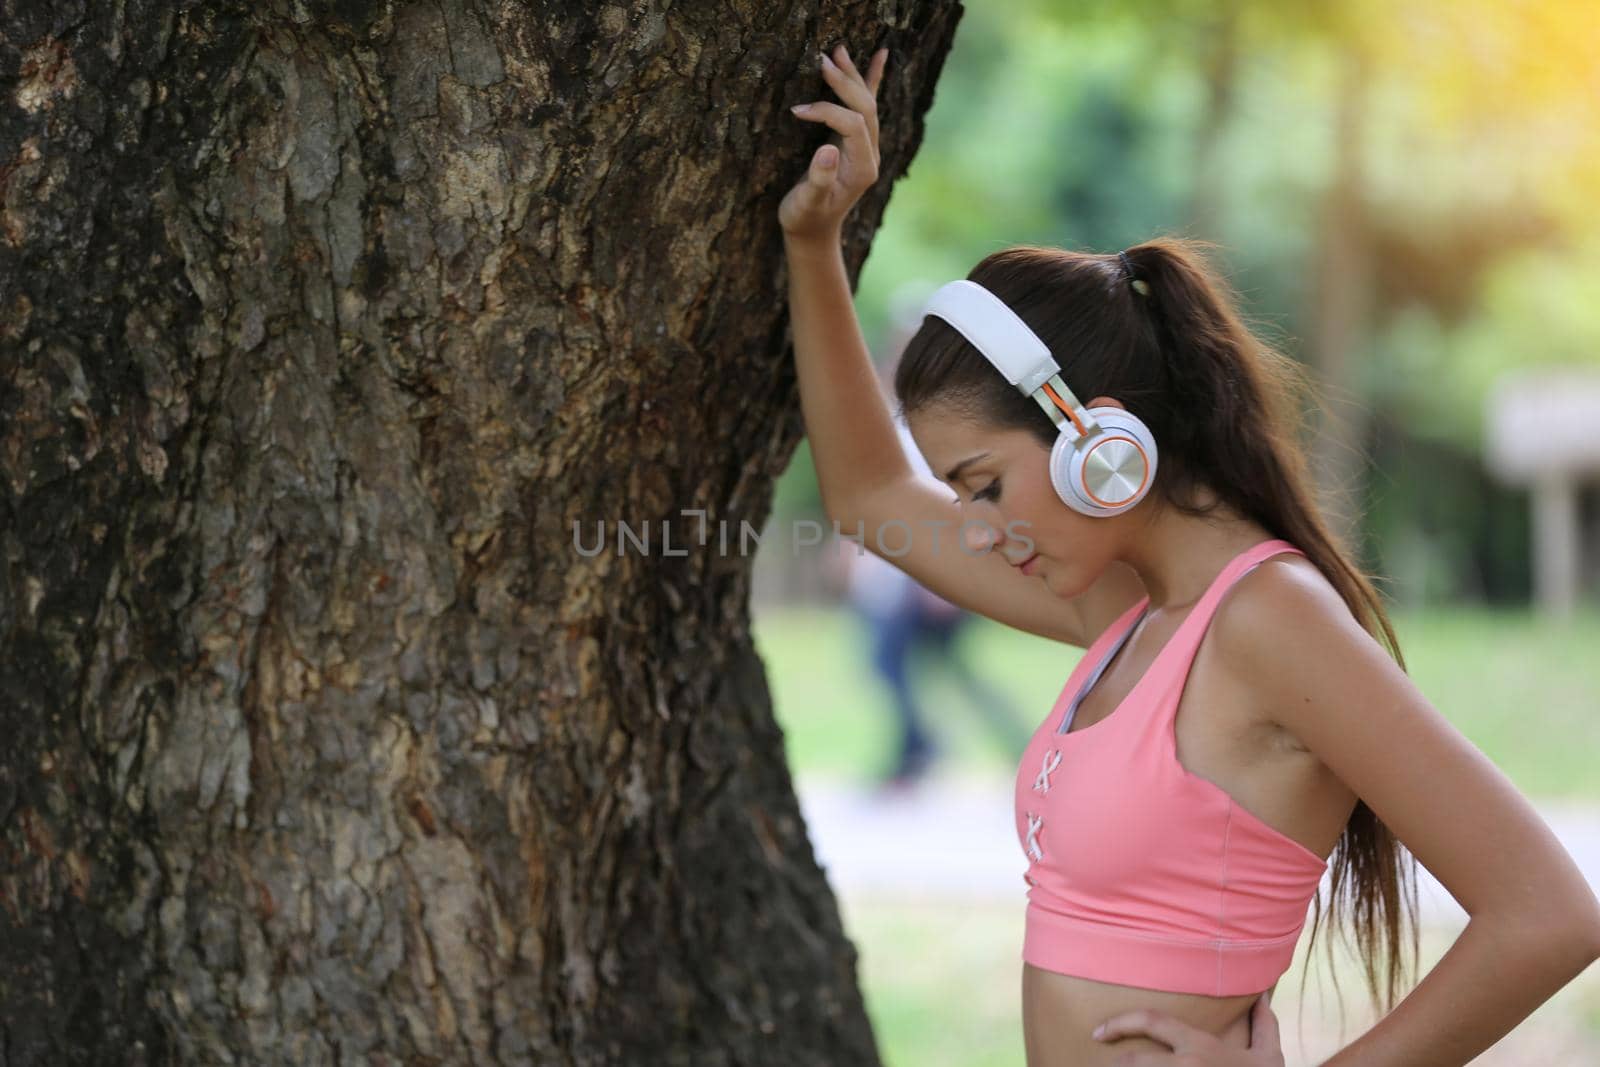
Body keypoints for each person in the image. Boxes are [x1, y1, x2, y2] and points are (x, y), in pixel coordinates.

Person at [780, 40, 1600, 1067]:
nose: (978, 526)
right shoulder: (1125, 605)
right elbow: (867, 499)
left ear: (1098, 443)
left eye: (984, 483)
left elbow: (1549, 912)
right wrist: (816, 243)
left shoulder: (1268, 620)